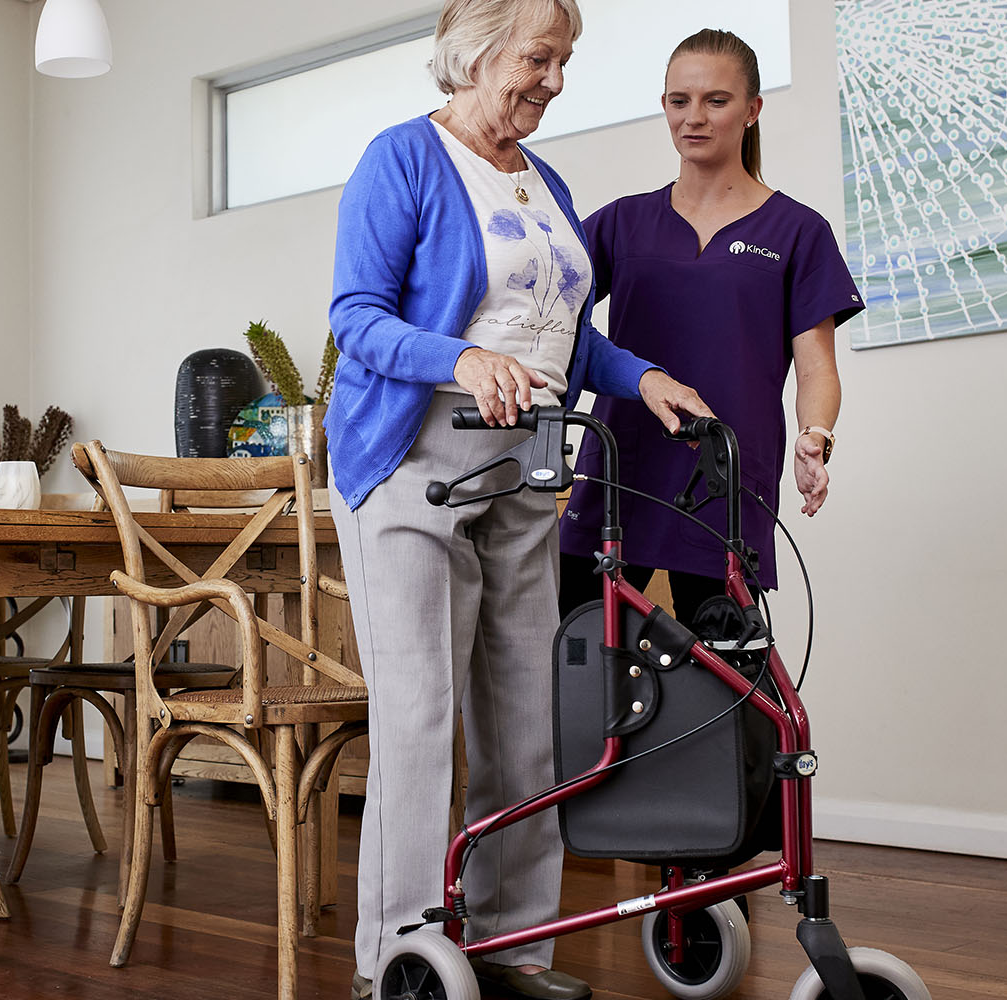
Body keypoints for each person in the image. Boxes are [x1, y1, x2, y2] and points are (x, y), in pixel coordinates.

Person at [325, 2, 713, 997]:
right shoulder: (402, 160)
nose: (552, 78)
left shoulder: (544, 183)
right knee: (417, 718)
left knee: (524, 722)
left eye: (562, 60)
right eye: (539, 57)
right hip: (411, 465)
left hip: (521, 471)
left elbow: (560, 336)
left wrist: (641, 378)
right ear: (478, 51)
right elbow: (355, 318)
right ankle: (401, 958)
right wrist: (458, 355)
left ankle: (510, 949)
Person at [557, 28, 860, 617]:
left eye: (716, 101)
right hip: (623, 468)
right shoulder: (622, 223)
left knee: (725, 681)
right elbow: (542, 311)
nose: (693, 117)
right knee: (575, 659)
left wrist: (814, 436)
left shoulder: (797, 232)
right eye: (679, 101)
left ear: (752, 110)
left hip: (723, 472)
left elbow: (817, 365)